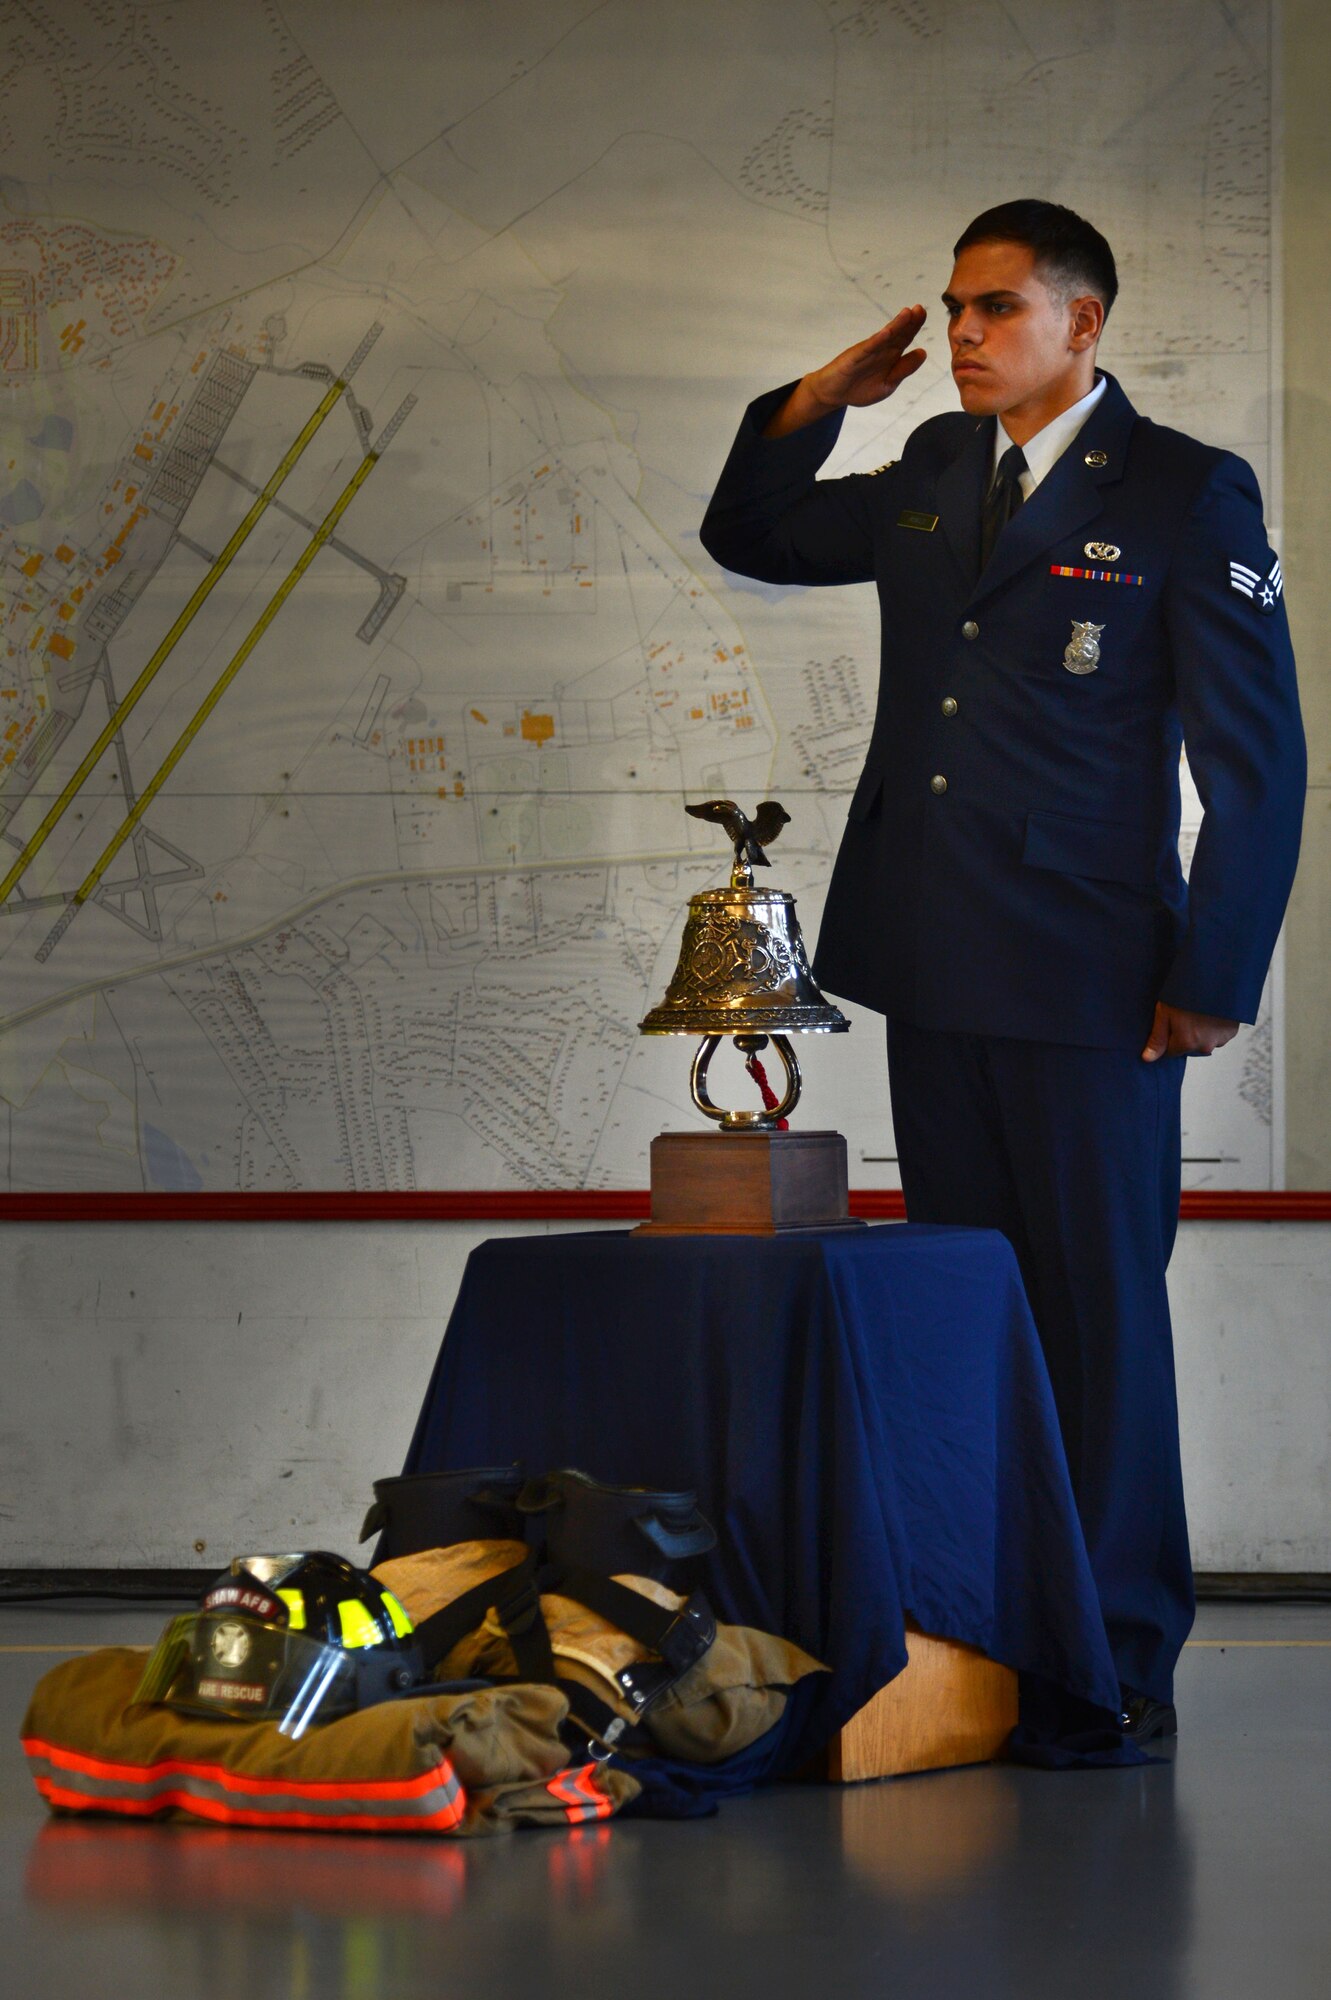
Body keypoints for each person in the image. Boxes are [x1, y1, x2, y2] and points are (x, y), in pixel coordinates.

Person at [699, 200, 1305, 1741]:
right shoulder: (929, 466)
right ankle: (987, 1638)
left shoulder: (1183, 492)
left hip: (1097, 978)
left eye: (996, 308)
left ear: (1082, 324)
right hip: (935, 952)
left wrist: (1215, 972)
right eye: (953, 307)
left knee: (1100, 1327)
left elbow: (1260, 764)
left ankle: (1113, 1664)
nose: (963, 333)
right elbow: (754, 534)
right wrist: (816, 403)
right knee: (971, 1310)